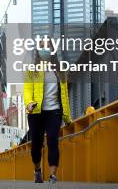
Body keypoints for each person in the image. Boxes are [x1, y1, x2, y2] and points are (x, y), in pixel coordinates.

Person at [24, 41, 72, 184]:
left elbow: (64, 95)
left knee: (52, 141)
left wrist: (67, 117)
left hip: (54, 111)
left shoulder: (60, 70)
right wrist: (29, 104)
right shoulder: (32, 70)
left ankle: (52, 176)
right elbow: (27, 90)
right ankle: (37, 170)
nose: (45, 49)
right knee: (36, 144)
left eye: (48, 46)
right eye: (42, 46)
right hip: (36, 112)